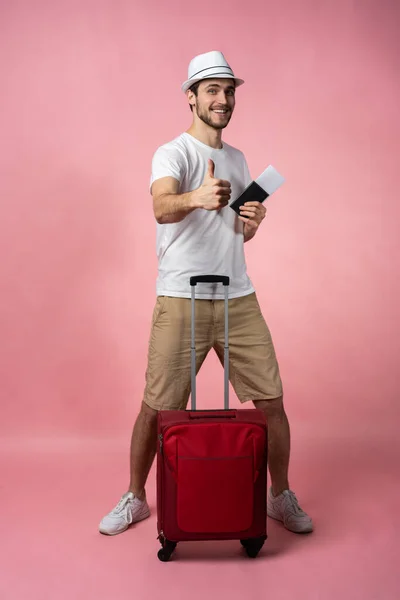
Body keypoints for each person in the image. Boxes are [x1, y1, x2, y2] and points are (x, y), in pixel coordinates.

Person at [99, 50, 313, 536]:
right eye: (212, 90)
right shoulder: (171, 153)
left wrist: (250, 223)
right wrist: (195, 197)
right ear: (191, 97)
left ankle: (280, 496)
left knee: (272, 403)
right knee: (156, 406)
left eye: (229, 90)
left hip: (238, 297)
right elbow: (161, 207)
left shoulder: (236, 159)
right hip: (181, 298)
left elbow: (235, 232)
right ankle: (135, 497)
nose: (223, 99)